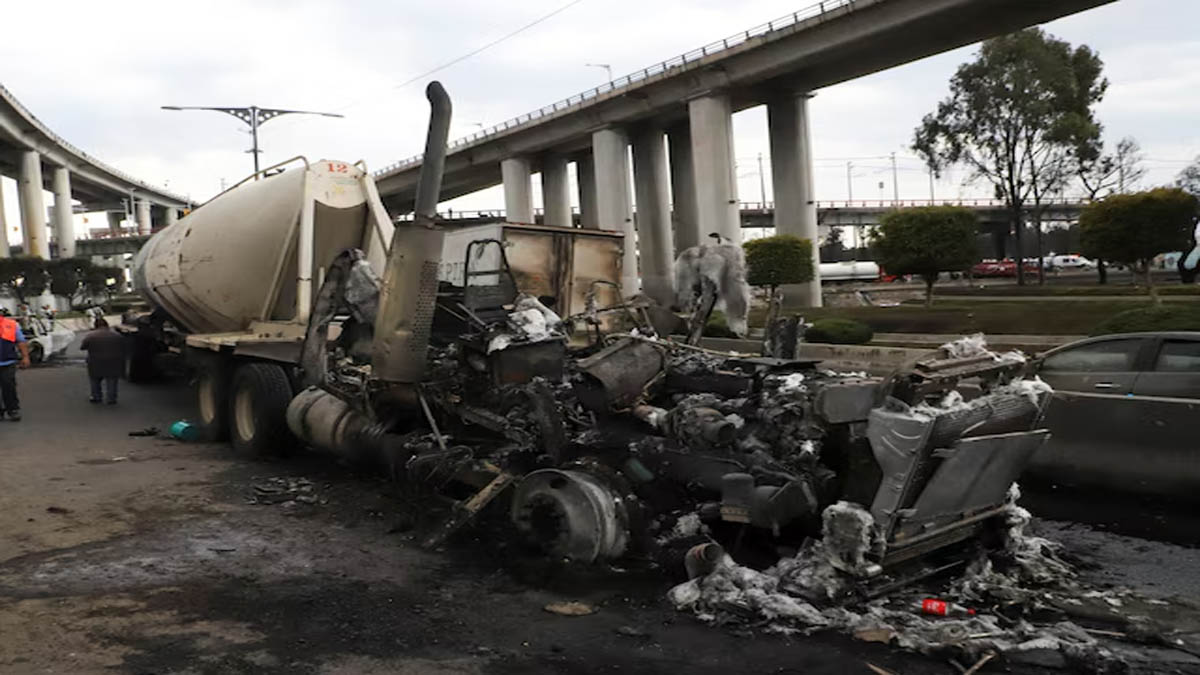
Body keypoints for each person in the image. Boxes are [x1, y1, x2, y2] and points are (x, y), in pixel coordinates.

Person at [80, 318, 125, 405]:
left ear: (96, 325)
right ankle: (111, 398)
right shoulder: (117, 335)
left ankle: (96, 397)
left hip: (95, 360)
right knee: (112, 379)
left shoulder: (91, 336)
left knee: (95, 379)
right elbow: (123, 346)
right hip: (113, 360)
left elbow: (83, 347)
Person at [0, 308, 31, 421]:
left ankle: (12, 409)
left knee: (8, 386)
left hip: (7, 362)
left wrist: (25, 357)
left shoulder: (11, 325)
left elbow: (21, 341)